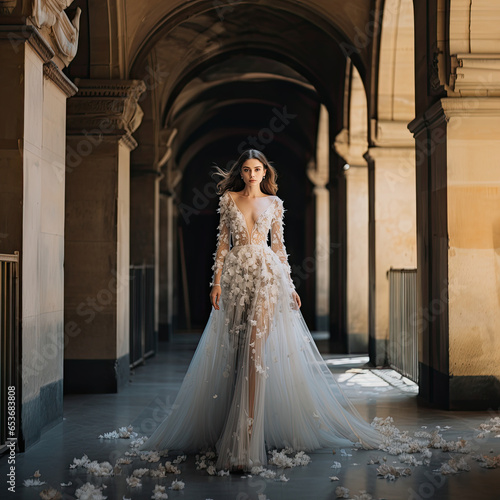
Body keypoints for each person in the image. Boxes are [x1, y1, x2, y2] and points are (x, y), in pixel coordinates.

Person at [139, 149, 383, 471]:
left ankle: (247, 436)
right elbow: (223, 245)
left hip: (268, 277)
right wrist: (216, 283)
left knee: (256, 351)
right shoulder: (228, 200)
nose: (252, 174)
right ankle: (232, 425)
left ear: (265, 172)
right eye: (247, 169)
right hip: (236, 278)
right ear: (240, 173)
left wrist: (291, 286)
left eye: (258, 169)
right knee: (238, 353)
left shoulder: (275, 203)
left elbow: (279, 248)